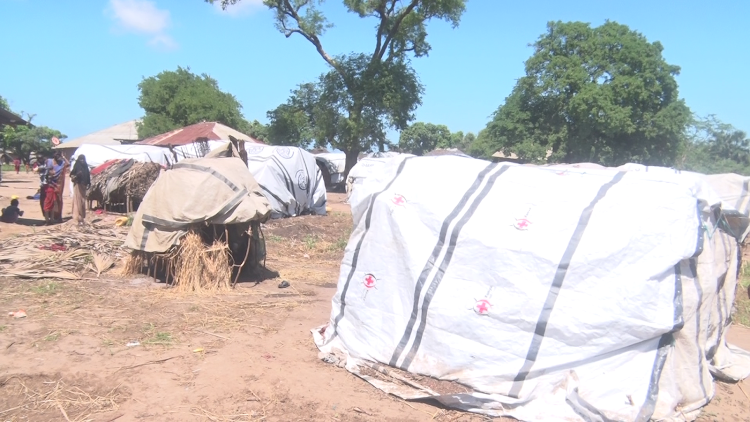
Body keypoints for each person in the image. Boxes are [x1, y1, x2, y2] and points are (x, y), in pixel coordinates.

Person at [43, 153, 68, 224]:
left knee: (57, 201)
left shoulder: (61, 163)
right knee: (47, 203)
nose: (58, 158)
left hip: (58, 185)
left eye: (59, 157)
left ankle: (57, 217)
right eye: (57, 157)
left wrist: (64, 157)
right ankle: (48, 219)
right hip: (49, 185)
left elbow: (68, 164)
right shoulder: (49, 161)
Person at [70, 154, 90, 226]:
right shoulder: (77, 166)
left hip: (83, 186)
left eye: (83, 159)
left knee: (82, 201)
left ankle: (82, 217)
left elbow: (87, 175)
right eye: (81, 159)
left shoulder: (85, 166)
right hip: (78, 185)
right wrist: (77, 175)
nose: (82, 161)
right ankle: (78, 217)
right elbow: (71, 174)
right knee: (78, 201)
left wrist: (88, 183)